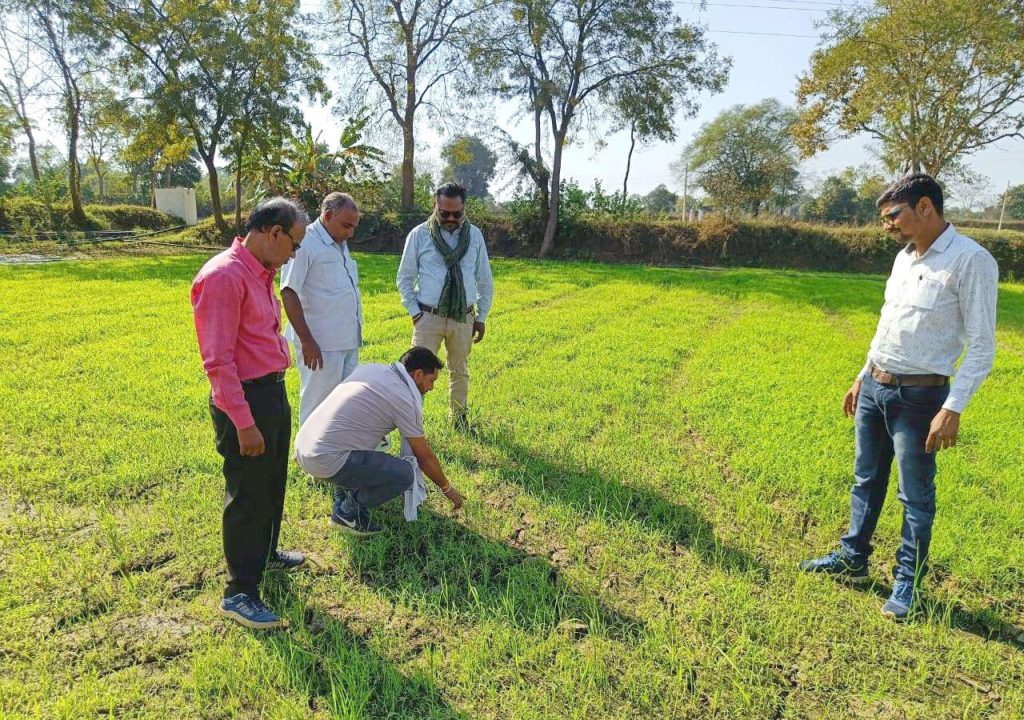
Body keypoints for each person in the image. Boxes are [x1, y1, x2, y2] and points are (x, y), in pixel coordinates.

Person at [799, 173, 998, 620]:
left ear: (924, 207)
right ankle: (853, 557)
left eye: (893, 216)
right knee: (866, 479)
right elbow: (887, 324)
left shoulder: (971, 261)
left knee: (915, 495)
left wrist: (953, 407)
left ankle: (906, 581)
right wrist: (861, 376)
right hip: (875, 387)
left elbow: (983, 346)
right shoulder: (903, 260)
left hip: (920, 400)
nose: (886, 226)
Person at [191, 197, 309, 630]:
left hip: (271, 393)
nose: (294, 254)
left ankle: (266, 552)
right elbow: (218, 362)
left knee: (273, 482)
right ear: (273, 233)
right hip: (244, 401)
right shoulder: (224, 277)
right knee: (248, 494)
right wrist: (244, 423)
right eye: (294, 245)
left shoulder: (262, 273)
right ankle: (240, 591)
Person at [294, 347, 464, 533]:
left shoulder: (373, 369)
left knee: (382, 442)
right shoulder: (405, 399)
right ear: (418, 374)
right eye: (431, 381)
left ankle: (344, 490)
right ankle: (349, 513)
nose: (431, 388)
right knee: (404, 474)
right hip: (324, 459)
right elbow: (424, 457)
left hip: (304, 446)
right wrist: (447, 488)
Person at [397, 182, 494, 431]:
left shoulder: (475, 236)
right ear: (435, 206)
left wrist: (481, 316)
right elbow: (404, 278)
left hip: (463, 317)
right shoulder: (419, 235)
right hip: (428, 316)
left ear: (464, 209)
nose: (450, 218)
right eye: (444, 213)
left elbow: (484, 279)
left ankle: (459, 421)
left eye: (456, 214)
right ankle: (411, 422)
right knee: (416, 372)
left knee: (459, 370)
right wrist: (414, 312)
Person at [280, 192, 363, 426]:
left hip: (347, 340)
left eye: (353, 227)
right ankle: (308, 456)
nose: (350, 233)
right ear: (327, 216)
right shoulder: (305, 242)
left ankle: (333, 455)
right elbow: (289, 291)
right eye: (346, 226)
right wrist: (307, 341)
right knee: (318, 405)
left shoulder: (339, 243)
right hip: (319, 345)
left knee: (344, 404)